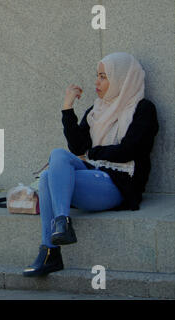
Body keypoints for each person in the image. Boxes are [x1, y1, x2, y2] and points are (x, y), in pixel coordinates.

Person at [22, 52, 159, 277]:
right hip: (94, 175)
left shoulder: (143, 109)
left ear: (122, 79)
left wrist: (92, 153)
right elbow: (77, 147)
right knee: (55, 160)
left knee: (49, 177)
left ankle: (52, 249)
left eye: (104, 77)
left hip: (118, 184)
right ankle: (57, 234)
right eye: (97, 76)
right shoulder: (97, 110)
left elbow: (131, 150)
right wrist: (67, 109)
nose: (97, 82)